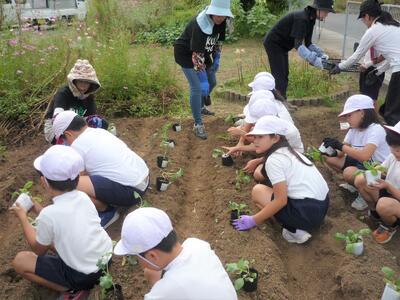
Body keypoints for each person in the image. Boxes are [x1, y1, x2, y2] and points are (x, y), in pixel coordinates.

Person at [10, 145, 113, 299]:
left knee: (20, 261)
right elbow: (61, 218)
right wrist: (38, 208)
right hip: (105, 262)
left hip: (83, 276)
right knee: (57, 237)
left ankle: (71, 289)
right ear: (77, 177)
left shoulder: (49, 215)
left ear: (44, 181)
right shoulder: (82, 196)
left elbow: (39, 250)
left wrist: (23, 217)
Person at [232, 117, 329, 244]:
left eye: (260, 137)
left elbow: (281, 200)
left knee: (258, 191)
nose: (255, 141)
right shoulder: (290, 151)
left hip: (306, 214)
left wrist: (253, 220)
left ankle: (295, 231)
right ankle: (296, 223)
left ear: (275, 138)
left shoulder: (274, 160)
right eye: (255, 137)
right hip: (322, 207)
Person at [113, 207, 238, 300]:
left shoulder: (166, 291)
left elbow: (166, 290)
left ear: (152, 256)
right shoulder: (196, 244)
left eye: (136, 256)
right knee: (152, 273)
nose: (138, 262)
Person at [52, 111, 150, 228]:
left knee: (70, 184)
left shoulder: (77, 146)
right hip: (144, 179)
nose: (65, 143)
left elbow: (78, 177)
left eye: (63, 140)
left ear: (68, 134)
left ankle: (107, 212)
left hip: (131, 193)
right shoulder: (100, 131)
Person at [330, 0, 400, 125]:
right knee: (389, 110)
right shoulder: (395, 25)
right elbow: (394, 56)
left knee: (391, 114)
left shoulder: (374, 30)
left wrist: (339, 67)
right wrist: (378, 71)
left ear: (367, 16)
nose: (363, 22)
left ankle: (390, 142)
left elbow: (356, 56)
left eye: (363, 19)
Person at [174, 0, 233, 139]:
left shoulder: (222, 22)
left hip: (203, 53)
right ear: (211, 11)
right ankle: (198, 124)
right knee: (197, 87)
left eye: (223, 15)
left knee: (212, 82)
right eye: (217, 15)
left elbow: (218, 42)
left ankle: (201, 107)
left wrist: (216, 59)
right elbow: (196, 56)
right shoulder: (199, 25)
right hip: (186, 54)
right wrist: (202, 79)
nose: (220, 18)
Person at [322, 95, 390, 211]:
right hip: (363, 165)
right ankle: (359, 187)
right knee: (328, 159)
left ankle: (367, 196)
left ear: (362, 113)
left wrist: (340, 145)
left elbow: (364, 156)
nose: (347, 119)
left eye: (349, 115)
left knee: (351, 174)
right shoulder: (354, 129)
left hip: (380, 170)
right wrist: (331, 149)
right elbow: (341, 153)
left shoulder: (376, 129)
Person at [263, 0, 334, 99]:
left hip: (283, 46)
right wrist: (315, 60)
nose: (327, 15)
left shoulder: (311, 19)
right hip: (274, 43)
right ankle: (279, 104)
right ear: (318, 9)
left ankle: (282, 101)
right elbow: (298, 45)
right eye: (326, 12)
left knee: (285, 74)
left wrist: (321, 55)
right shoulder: (302, 19)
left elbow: (308, 43)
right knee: (280, 75)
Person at [354, 122, 400, 243]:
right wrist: (374, 169)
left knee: (384, 204)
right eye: (393, 149)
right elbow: (382, 169)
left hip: (395, 200)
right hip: (390, 194)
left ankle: (391, 226)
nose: (395, 154)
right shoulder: (393, 156)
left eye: (399, 151)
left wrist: (387, 186)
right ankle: (376, 214)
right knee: (361, 180)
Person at [44, 59, 107, 144]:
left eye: (87, 83)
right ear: (74, 81)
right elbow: (57, 117)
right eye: (80, 81)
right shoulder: (63, 93)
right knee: (70, 145)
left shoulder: (89, 96)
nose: (83, 86)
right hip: (54, 126)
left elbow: (91, 117)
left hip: (76, 123)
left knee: (99, 123)